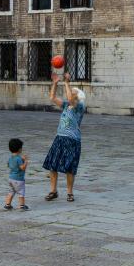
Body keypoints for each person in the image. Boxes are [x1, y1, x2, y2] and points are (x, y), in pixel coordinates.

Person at [43, 72, 86, 202]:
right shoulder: (66, 106)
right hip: (60, 138)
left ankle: (69, 193)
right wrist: (55, 84)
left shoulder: (80, 107)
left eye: (73, 93)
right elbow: (52, 97)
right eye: (71, 92)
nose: (70, 94)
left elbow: (71, 98)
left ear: (78, 97)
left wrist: (66, 83)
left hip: (72, 140)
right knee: (53, 165)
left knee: (70, 168)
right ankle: (53, 191)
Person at [4, 138, 30, 211]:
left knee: (11, 191)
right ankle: (22, 205)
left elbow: (8, 165)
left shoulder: (10, 158)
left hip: (11, 178)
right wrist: (25, 161)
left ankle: (7, 204)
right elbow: (22, 168)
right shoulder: (18, 159)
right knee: (21, 192)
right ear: (19, 149)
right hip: (18, 179)